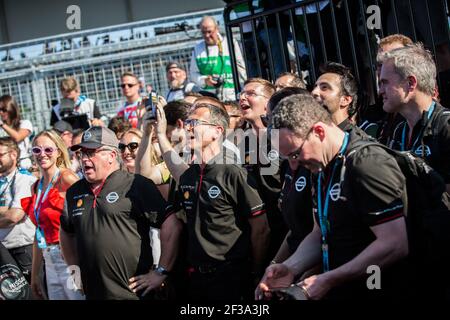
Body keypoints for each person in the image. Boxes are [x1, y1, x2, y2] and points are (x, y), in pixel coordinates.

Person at [256, 94, 409, 300]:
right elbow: (320, 232)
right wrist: (289, 267)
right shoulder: (321, 166)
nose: (293, 165)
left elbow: (394, 243)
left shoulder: (367, 163)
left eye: (294, 154)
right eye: (286, 158)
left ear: (319, 131)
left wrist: (329, 279)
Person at [60, 126, 182, 300]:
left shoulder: (136, 184)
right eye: (82, 153)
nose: (85, 159)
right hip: (94, 294)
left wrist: (161, 271)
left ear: (111, 156)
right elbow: (66, 231)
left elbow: (172, 225)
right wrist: (74, 270)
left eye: (91, 152)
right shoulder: (74, 192)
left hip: (134, 294)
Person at [173, 102, 270, 301]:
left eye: (195, 122)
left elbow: (261, 228)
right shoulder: (187, 177)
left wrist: (256, 271)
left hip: (232, 276)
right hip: (197, 278)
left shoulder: (232, 171)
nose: (188, 127)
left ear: (217, 131)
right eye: (187, 122)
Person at [20, 130, 83, 300]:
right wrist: (34, 276)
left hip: (69, 258)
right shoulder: (35, 187)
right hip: (49, 261)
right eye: (37, 150)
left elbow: (88, 215)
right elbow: (37, 234)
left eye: (48, 150)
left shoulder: (66, 177)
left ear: (58, 151)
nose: (42, 155)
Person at [380, 43, 450, 195]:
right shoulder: (398, 132)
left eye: (385, 83)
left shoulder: (445, 126)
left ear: (410, 83)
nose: (380, 91)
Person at [239, 78, 286, 265]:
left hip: (286, 230)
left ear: (268, 102)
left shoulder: (282, 137)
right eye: (241, 94)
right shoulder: (243, 141)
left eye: (250, 94)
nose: (243, 97)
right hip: (257, 231)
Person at [0, 137, 36, 284]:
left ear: (13, 154)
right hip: (4, 251)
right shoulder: (3, 181)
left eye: (0, 155)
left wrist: (9, 211)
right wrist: (6, 209)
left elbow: (14, 216)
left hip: (22, 249)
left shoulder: (24, 179)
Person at [189, 16, 246, 101]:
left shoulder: (230, 43)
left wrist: (244, 90)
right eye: (203, 32)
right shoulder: (197, 48)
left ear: (217, 29)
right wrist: (204, 80)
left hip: (232, 95)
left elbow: (241, 68)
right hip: (210, 97)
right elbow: (193, 74)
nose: (207, 35)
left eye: (209, 31)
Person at [0, 95, 33, 170]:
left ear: (11, 109)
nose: (1, 112)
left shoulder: (25, 123)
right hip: (4, 166)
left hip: (22, 163)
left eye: (4, 110)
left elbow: (17, 137)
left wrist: (2, 124)